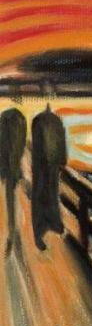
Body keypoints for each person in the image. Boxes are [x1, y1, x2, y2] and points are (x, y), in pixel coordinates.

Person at [31, 103, 67, 251]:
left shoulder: (37, 120)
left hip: (41, 165)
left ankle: (44, 227)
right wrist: (63, 161)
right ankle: (51, 224)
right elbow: (62, 142)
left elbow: (35, 144)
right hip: (52, 164)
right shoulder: (57, 121)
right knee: (51, 192)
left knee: (42, 195)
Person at [0, 107, 27, 254]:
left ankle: (11, 231)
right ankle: (12, 230)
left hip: (8, 167)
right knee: (11, 199)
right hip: (14, 167)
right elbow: (21, 146)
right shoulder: (20, 120)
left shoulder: (4, 119)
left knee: (10, 199)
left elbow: (2, 145)